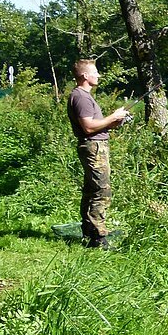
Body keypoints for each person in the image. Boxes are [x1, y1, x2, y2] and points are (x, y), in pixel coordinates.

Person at [67, 59, 131, 249]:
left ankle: (88, 230)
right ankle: (98, 238)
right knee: (101, 191)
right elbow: (88, 127)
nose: (98, 75)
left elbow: (96, 125)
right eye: (95, 72)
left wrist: (116, 121)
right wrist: (113, 116)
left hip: (95, 145)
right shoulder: (81, 97)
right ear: (85, 76)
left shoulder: (83, 96)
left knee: (91, 189)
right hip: (94, 147)